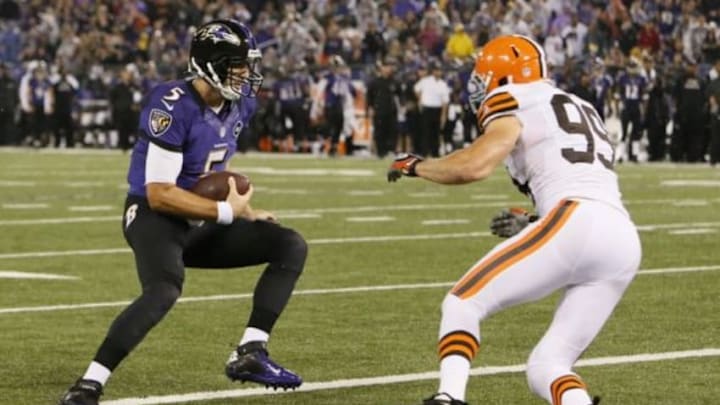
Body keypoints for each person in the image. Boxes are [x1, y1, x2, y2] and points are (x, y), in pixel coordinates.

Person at [59, 19, 308, 405]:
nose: (246, 73)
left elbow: (209, 171)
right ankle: (88, 384)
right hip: (153, 216)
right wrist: (225, 211)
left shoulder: (240, 103)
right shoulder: (171, 104)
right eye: (237, 64)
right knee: (163, 289)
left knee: (289, 245)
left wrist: (245, 211)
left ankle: (251, 352)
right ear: (209, 63)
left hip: (201, 217)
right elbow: (159, 194)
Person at [388, 35, 640, 405]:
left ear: (504, 77)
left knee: (463, 303)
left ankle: (449, 397)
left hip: (575, 220)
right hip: (620, 236)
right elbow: (578, 175)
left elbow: (475, 165)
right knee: (548, 365)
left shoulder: (513, 99)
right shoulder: (578, 103)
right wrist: (539, 219)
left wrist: (417, 166)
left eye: (484, 74)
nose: (478, 82)